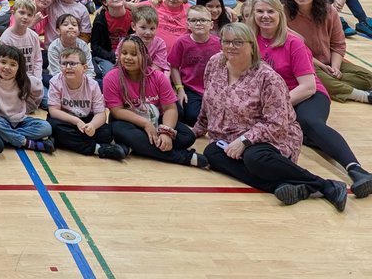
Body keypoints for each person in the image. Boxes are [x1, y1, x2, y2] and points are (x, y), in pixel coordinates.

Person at [195, 23, 347, 210]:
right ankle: (281, 187)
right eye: (226, 42)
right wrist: (197, 129)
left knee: (254, 157)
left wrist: (245, 140)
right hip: (229, 139)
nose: (230, 47)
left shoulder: (268, 77)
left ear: (252, 46)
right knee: (212, 153)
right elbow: (209, 100)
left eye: (238, 42)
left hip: (272, 139)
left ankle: (325, 185)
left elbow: (277, 123)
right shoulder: (215, 63)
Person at [247, 0, 372, 196]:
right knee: (302, 135)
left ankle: (357, 170)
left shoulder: (293, 42)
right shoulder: (250, 41)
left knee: (310, 122)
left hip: (306, 96)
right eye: (260, 11)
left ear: (280, 14)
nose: (265, 16)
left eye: (270, 11)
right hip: (272, 101)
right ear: (252, 14)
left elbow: (308, 86)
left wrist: (278, 104)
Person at [103, 34, 204, 168]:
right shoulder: (111, 77)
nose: (127, 58)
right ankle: (183, 157)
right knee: (119, 131)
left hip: (156, 119)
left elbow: (170, 108)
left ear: (144, 56)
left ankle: (136, 147)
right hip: (128, 122)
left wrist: (166, 132)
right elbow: (116, 111)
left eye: (133, 54)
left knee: (188, 136)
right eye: (124, 53)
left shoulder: (157, 77)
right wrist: (145, 124)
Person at [284, 0, 372, 104]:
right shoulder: (283, 13)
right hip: (304, 63)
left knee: (368, 77)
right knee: (315, 80)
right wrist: (322, 67)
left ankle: (334, 83)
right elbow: (295, 50)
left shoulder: (330, 11)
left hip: (329, 60)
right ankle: (363, 96)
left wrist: (335, 67)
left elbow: (338, 44)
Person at [47, 47, 125, 159]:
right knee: (53, 126)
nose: (68, 67)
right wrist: (76, 121)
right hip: (65, 120)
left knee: (106, 133)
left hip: (86, 120)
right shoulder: (55, 82)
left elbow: (100, 114)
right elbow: (53, 111)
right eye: (64, 64)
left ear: (84, 67)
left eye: (73, 64)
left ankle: (64, 141)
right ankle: (98, 149)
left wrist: (92, 125)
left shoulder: (93, 85)